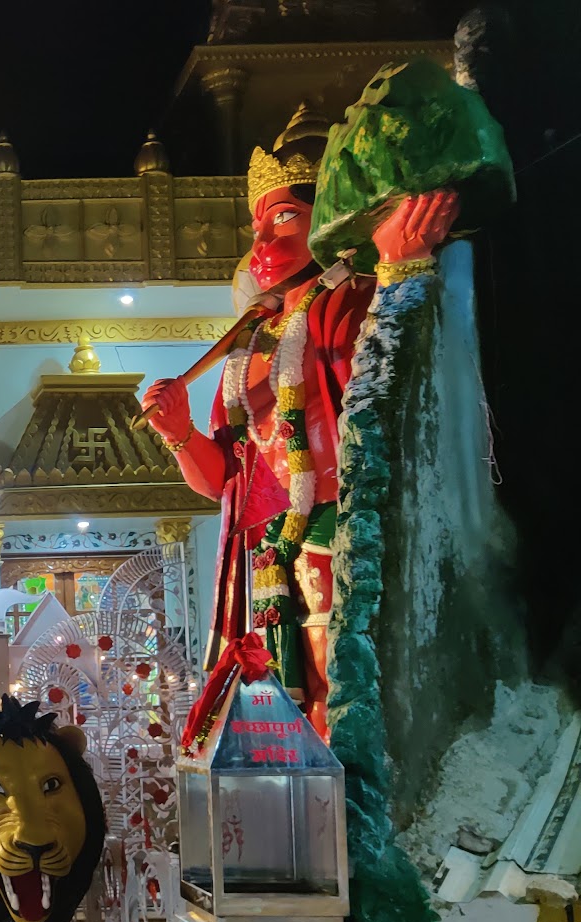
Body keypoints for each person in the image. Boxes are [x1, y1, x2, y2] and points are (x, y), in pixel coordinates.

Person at [143, 105, 457, 737]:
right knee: (270, 711)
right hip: (261, 552)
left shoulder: (346, 302)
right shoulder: (246, 345)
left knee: (342, 692)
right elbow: (224, 481)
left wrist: (400, 271)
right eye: (257, 225)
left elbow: (397, 395)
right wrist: (178, 433)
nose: (262, 242)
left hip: (337, 525)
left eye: (284, 217)